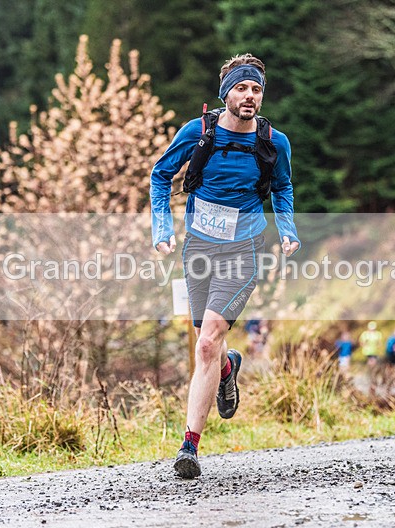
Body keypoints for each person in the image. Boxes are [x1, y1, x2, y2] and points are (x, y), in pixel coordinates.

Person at [150, 53, 300, 479]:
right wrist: (162, 227)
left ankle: (188, 448)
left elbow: (283, 185)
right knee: (209, 348)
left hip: (243, 249)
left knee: (206, 343)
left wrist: (287, 228)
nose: (250, 95)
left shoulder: (275, 141)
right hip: (198, 246)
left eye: (256, 89)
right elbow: (161, 175)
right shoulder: (197, 133)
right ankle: (229, 368)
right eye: (242, 88)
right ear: (225, 93)